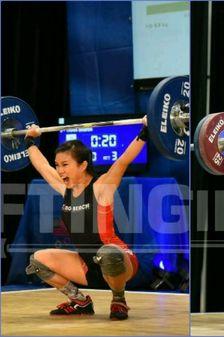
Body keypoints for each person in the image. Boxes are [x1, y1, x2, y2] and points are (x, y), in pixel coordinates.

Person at [23, 117, 148, 320]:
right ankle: (80, 301)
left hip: (120, 259)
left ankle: (118, 299)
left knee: (107, 253)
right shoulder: (65, 189)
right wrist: (30, 140)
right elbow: (42, 166)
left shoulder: (101, 187)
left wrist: (146, 131)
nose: (59, 170)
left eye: (65, 164)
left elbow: (123, 160)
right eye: (58, 165)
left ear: (83, 165)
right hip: (87, 265)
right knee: (38, 260)